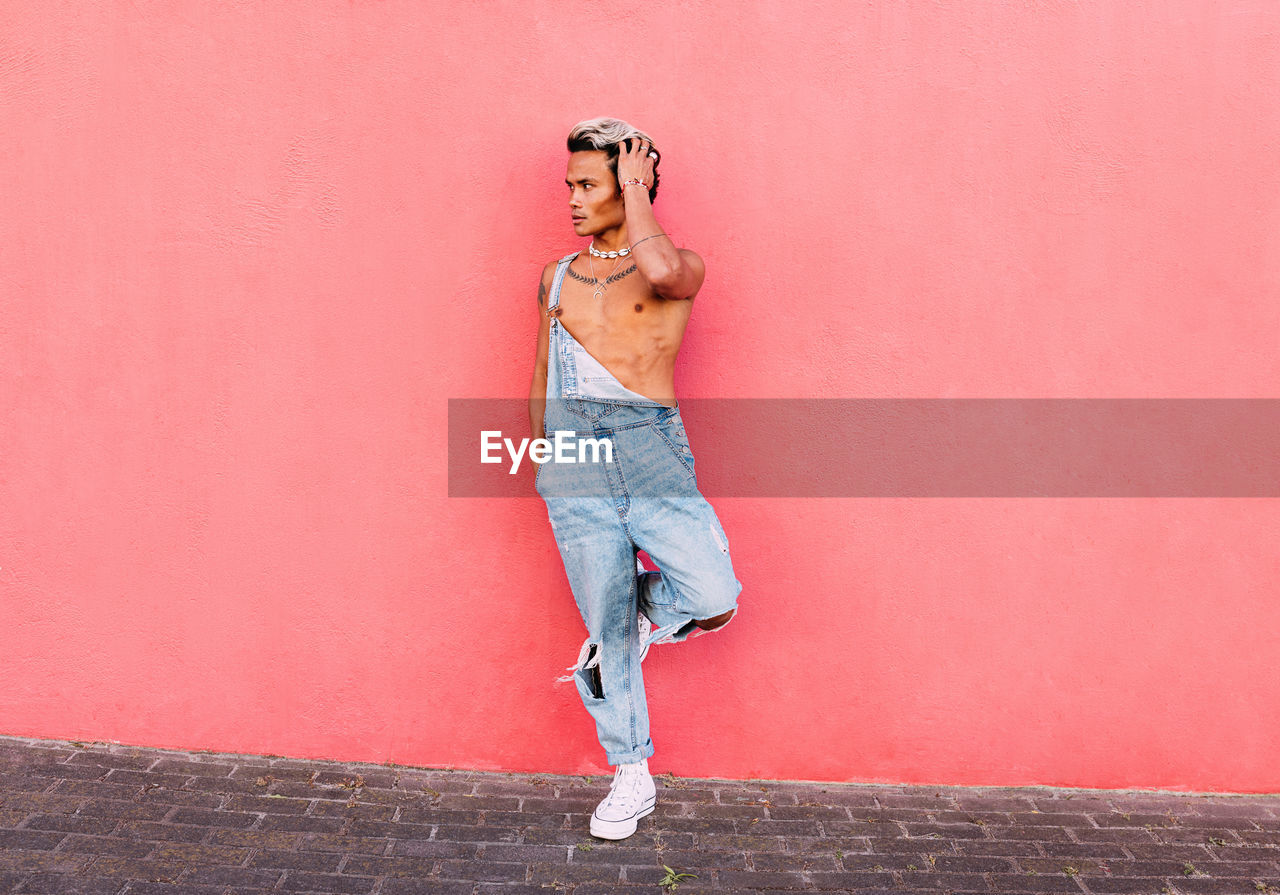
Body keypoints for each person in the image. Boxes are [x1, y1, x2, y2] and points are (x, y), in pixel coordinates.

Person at [528, 117, 743, 840]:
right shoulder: (555, 276)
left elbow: (658, 272)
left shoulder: (680, 266)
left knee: (715, 596)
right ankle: (631, 773)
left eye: (590, 184)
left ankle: (642, 610)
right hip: (575, 460)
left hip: (651, 451)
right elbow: (540, 376)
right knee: (608, 630)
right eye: (572, 186)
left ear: (630, 183)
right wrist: (544, 459)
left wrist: (635, 186)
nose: (574, 199)